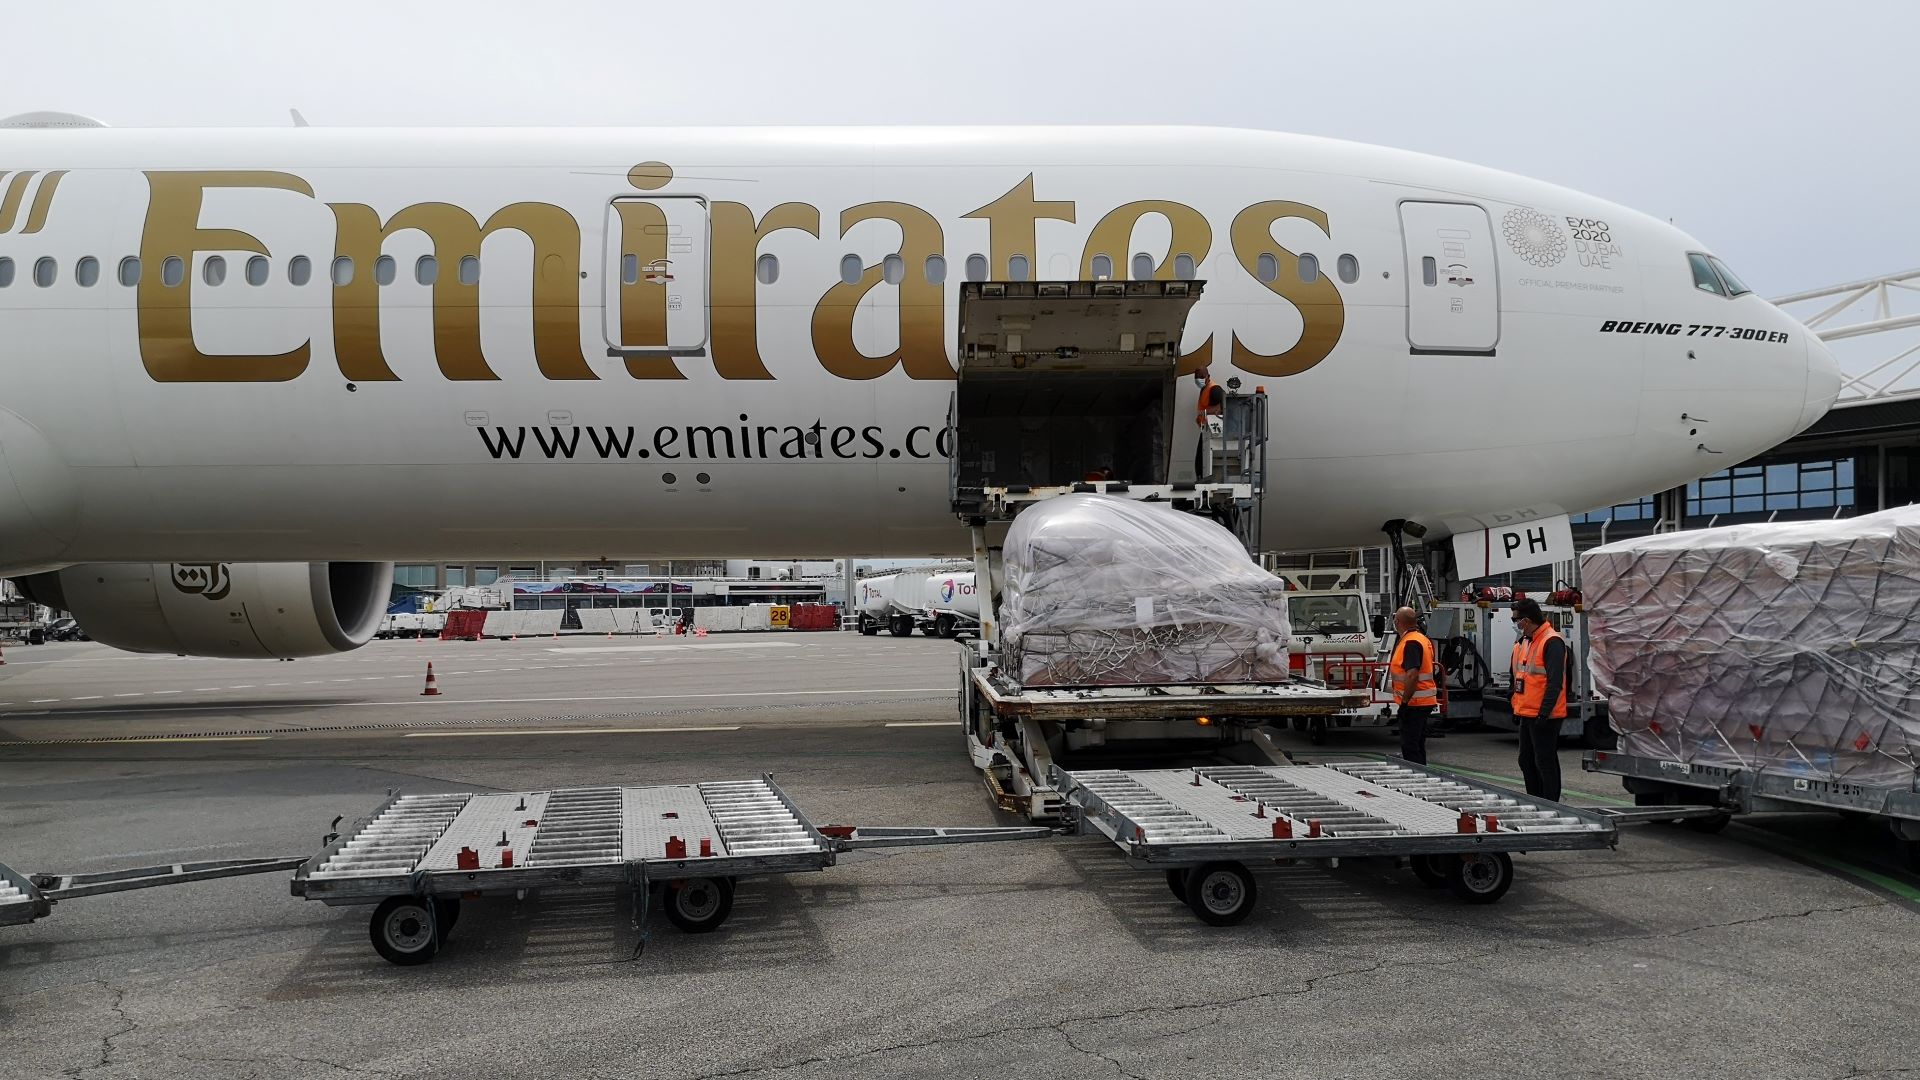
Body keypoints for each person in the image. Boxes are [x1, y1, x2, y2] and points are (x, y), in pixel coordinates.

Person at [1510, 598, 1572, 801]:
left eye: (1516, 619)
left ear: (1526, 621)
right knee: (1526, 760)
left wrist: (1544, 713)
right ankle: (1535, 799)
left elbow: (1555, 683)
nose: (1515, 624)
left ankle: (1550, 803)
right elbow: (1521, 678)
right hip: (1527, 712)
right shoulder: (1526, 642)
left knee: (1544, 761)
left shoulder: (1551, 641)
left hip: (1544, 715)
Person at [1387, 607, 1438, 764]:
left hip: (1414, 703)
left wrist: (1404, 703)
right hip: (1423, 701)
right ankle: (1423, 773)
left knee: (1410, 746)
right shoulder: (1422, 639)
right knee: (1417, 744)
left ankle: (1417, 774)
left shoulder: (1410, 642)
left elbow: (1412, 674)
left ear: (1398, 622)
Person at [1192, 367, 1225, 479]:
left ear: (1208, 376)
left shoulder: (1214, 389)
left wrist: (1204, 412)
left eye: (1201, 377)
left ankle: (1202, 479)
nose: (1198, 380)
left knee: (1202, 460)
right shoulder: (1204, 389)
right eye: (1196, 378)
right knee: (1200, 460)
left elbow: (1224, 405)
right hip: (1206, 429)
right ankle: (1201, 478)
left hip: (1213, 430)